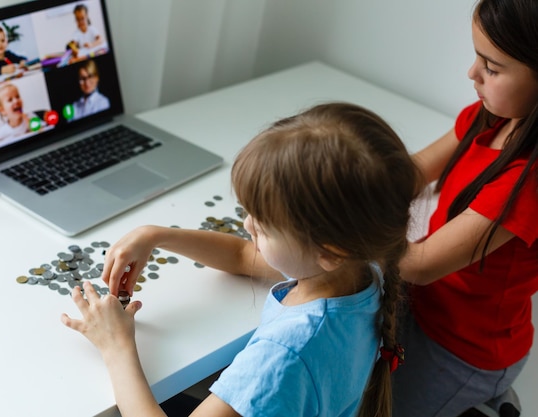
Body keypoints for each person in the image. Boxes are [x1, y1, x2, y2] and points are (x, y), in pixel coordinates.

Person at [61, 102, 421, 417]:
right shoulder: (364, 266)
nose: (247, 225)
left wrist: (116, 345)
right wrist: (158, 235)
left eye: (263, 226)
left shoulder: (282, 357)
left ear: (329, 251)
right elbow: (242, 254)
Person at [394, 0, 538, 416]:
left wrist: (333, 233)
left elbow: (420, 264)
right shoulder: (489, 116)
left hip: (463, 350)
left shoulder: (527, 183)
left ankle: (483, 399)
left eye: (491, 68)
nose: (471, 74)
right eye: (477, 58)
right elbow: (414, 172)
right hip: (424, 307)